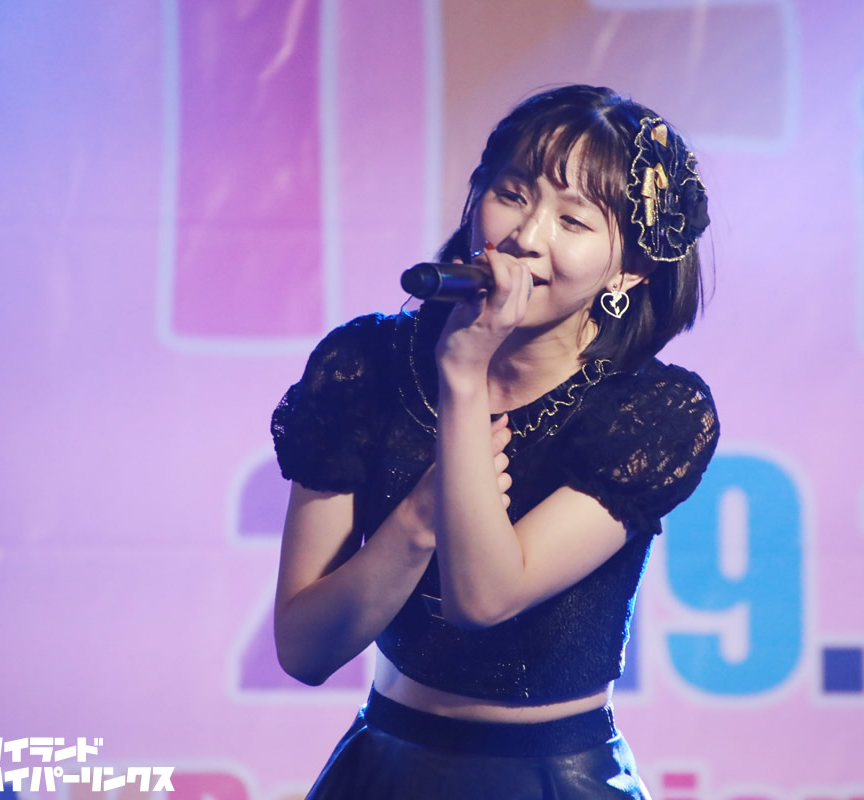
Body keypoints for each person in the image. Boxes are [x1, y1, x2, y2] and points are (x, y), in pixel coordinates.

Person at [271, 84, 720, 799]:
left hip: (553, 778)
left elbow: (483, 598)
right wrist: (417, 522)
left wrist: (462, 375)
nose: (526, 236)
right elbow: (303, 649)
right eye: (513, 194)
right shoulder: (368, 365)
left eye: (573, 220)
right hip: (381, 764)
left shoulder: (651, 412)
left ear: (629, 269)